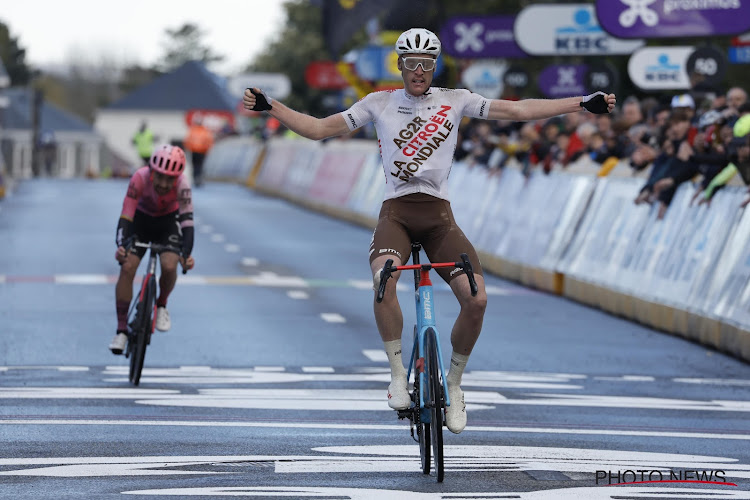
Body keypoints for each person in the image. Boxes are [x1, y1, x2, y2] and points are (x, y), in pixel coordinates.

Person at [242, 27, 615, 434]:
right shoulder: (378, 103)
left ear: (435, 66)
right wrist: (271, 106)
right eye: (411, 63)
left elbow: (518, 110)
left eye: (427, 63)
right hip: (396, 215)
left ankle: (453, 385)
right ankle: (398, 374)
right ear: (399, 64)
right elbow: (318, 129)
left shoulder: (455, 100)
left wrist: (581, 103)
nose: (419, 70)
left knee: (476, 299)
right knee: (383, 278)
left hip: (439, 217)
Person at [109, 144, 196, 355]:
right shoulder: (139, 178)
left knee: (169, 264)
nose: (165, 184)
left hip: (167, 223)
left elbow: (187, 222)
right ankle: (121, 330)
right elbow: (126, 214)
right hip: (140, 221)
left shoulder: (183, 185)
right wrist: (121, 246)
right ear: (151, 172)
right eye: (160, 177)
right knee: (128, 266)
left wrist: (186, 253)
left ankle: (162, 305)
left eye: (170, 179)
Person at [183, 115, 214, 187]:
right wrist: (207, 149)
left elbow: (187, 141)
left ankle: (196, 178)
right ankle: (198, 178)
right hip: (201, 152)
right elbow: (209, 141)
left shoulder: (193, 130)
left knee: (195, 166)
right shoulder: (205, 131)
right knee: (199, 166)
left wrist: (189, 148)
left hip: (195, 151)